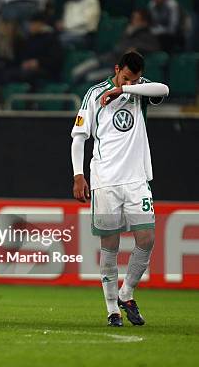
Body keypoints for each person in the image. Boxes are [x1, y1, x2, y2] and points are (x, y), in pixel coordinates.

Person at [70, 51, 169, 327]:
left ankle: (127, 293)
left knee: (146, 239)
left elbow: (164, 89)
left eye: (135, 79)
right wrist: (79, 175)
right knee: (110, 245)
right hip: (105, 179)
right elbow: (79, 138)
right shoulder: (94, 94)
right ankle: (112, 308)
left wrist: (124, 89)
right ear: (116, 69)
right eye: (126, 77)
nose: (131, 82)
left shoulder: (140, 89)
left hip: (137, 179)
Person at [72, 9, 160, 84]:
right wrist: (128, 34)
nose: (133, 21)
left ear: (144, 23)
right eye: (133, 18)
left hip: (114, 68)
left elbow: (154, 47)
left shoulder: (147, 36)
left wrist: (137, 48)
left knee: (90, 77)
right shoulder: (128, 33)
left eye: (136, 19)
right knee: (76, 72)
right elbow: (117, 47)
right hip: (104, 60)